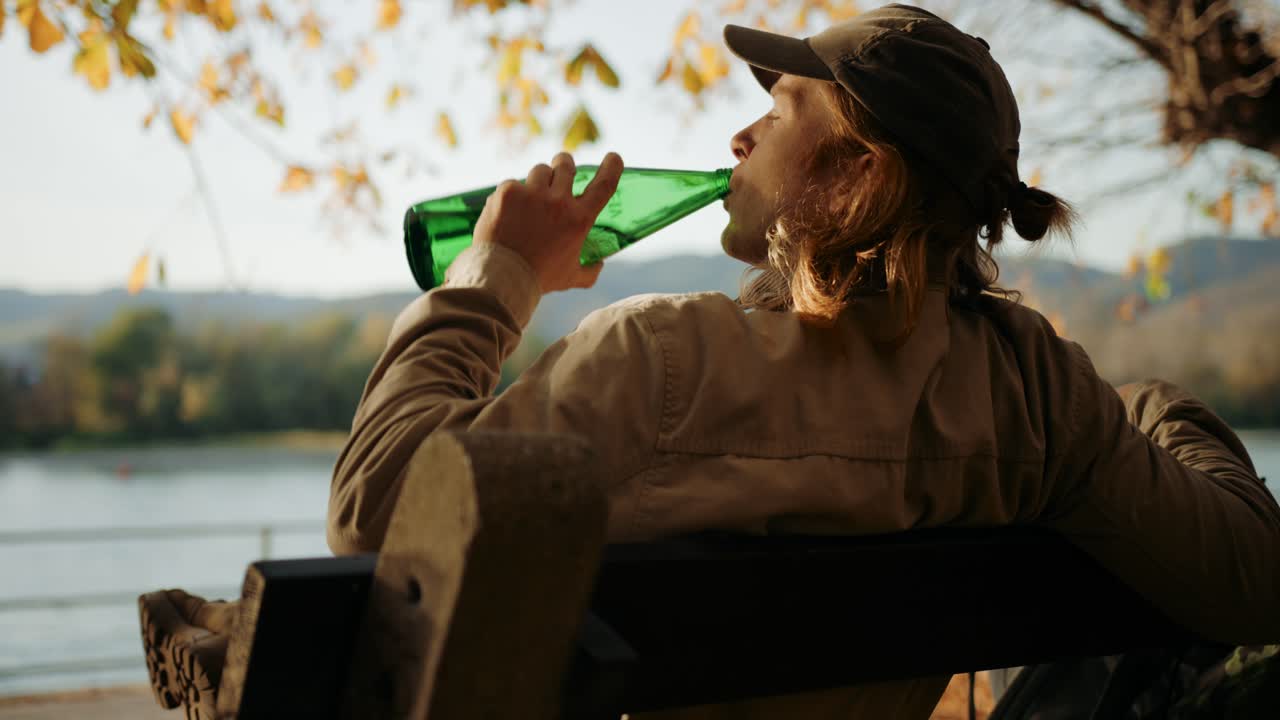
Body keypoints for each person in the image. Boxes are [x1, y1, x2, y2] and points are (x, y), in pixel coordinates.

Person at [320, 3, 1279, 717]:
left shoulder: (657, 363)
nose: (738, 134)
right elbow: (1251, 578)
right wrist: (1154, 405)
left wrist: (499, 276)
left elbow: (376, 511)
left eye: (780, 107)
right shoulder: (1037, 399)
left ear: (860, 170)